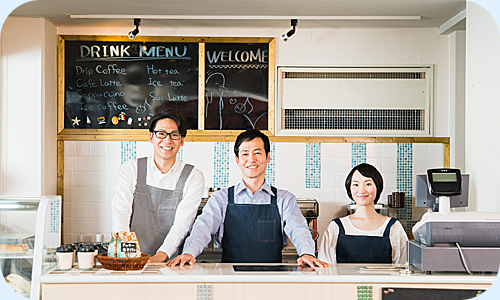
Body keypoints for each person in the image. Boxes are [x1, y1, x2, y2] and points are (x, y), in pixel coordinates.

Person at [166, 129, 328, 268]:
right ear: (237, 159)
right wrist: (188, 252)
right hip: (230, 277)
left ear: (268, 157)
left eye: (257, 153)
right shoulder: (221, 199)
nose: (251, 159)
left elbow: (298, 229)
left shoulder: (284, 199)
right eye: (245, 154)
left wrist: (307, 253)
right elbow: (202, 228)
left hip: (272, 279)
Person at [111, 109, 204, 262]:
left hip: (170, 262)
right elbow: (120, 212)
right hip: (130, 258)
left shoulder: (193, 176)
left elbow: (183, 224)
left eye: (174, 135)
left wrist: (160, 256)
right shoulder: (130, 168)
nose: (167, 140)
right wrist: (128, 254)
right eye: (161, 133)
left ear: (182, 141)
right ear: (151, 137)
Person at [318, 163, 408, 264]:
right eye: (356, 184)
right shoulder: (335, 227)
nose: (361, 190)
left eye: (368, 184)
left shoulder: (393, 227)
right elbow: (325, 270)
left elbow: (403, 267)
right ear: (349, 189)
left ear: (378, 187)